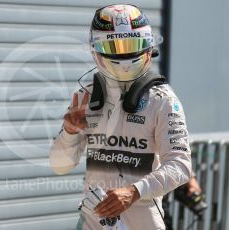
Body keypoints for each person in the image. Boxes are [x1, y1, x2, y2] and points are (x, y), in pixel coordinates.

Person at [49, 4, 192, 230]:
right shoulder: (85, 96)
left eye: (131, 45)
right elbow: (59, 166)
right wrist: (69, 132)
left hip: (143, 222)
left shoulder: (162, 99)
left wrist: (134, 192)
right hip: (93, 220)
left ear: (148, 47)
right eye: (113, 46)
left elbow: (180, 165)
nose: (124, 54)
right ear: (96, 49)